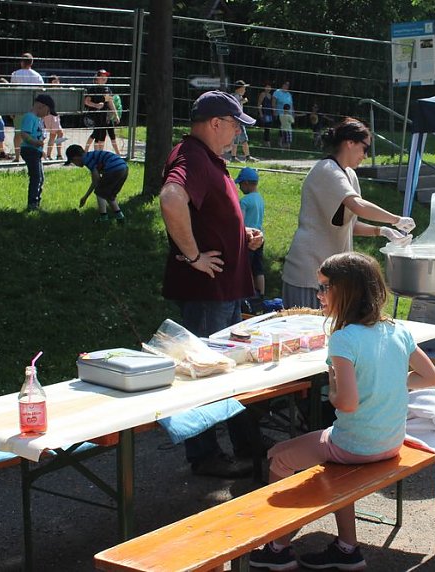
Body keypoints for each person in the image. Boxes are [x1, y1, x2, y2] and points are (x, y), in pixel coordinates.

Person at [249, 252, 435, 571]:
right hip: (390, 443)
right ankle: (347, 547)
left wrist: (334, 388)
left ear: (346, 291)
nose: (319, 295)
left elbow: (346, 403)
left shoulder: (343, 338)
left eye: (324, 287)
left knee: (278, 456)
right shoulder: (397, 330)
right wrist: (391, 384)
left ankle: (277, 546)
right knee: (335, 470)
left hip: (355, 445)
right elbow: (430, 377)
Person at [159, 90, 264, 478]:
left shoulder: (205, 157)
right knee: (203, 373)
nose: (238, 134)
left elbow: (208, 214)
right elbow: (171, 198)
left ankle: (245, 444)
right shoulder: (191, 156)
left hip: (223, 290)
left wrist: (242, 234)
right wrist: (191, 256)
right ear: (216, 123)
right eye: (236, 126)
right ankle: (204, 456)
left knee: (227, 369)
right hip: (207, 293)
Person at [281, 117, 414, 309]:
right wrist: (396, 220)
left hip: (329, 276)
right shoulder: (327, 169)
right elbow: (358, 205)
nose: (366, 155)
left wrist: (382, 231)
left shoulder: (349, 174)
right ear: (350, 143)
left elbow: (349, 225)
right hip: (307, 274)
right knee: (307, 336)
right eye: (365, 148)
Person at [64, 144, 128, 223]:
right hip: (123, 168)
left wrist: (85, 197)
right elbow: (96, 180)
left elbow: (96, 180)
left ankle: (103, 219)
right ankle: (120, 218)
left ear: (75, 158)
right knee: (109, 195)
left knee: (100, 193)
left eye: (73, 162)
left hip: (113, 169)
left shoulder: (86, 159)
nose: (75, 164)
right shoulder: (91, 156)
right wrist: (86, 197)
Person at [19, 94, 56, 211]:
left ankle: (36, 201)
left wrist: (41, 149)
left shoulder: (38, 119)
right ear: (42, 106)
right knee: (36, 177)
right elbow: (24, 134)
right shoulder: (30, 117)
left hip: (35, 151)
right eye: (48, 111)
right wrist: (34, 142)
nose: (48, 114)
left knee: (40, 177)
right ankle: (32, 204)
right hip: (30, 150)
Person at [236, 167, 265, 296]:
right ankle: (261, 295)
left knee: (246, 268)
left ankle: (248, 294)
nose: (240, 187)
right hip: (260, 237)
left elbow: (240, 221)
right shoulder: (259, 198)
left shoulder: (244, 201)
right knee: (258, 268)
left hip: (248, 239)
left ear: (246, 183)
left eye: (241, 184)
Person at [10, 53, 44, 162]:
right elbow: (42, 91)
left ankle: (17, 157)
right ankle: (34, 154)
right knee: (33, 133)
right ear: (31, 63)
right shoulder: (37, 76)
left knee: (18, 133)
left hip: (19, 107)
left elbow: (12, 91)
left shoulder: (15, 74)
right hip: (34, 109)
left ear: (22, 62)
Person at [83, 70, 120, 155]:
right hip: (97, 116)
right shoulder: (93, 89)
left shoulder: (106, 89)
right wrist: (96, 105)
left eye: (106, 76)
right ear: (97, 78)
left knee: (107, 135)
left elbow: (110, 102)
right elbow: (86, 101)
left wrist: (116, 114)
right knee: (97, 135)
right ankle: (94, 153)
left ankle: (111, 154)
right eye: (102, 76)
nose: (104, 78)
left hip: (106, 116)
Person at [230, 80, 255, 162]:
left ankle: (245, 157)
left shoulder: (238, 96)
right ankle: (236, 157)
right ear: (239, 88)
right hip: (237, 121)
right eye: (244, 88)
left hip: (239, 121)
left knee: (242, 140)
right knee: (238, 140)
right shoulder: (235, 97)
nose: (245, 90)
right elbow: (235, 106)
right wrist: (242, 101)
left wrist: (242, 101)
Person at [44, 75, 66, 160]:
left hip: (55, 115)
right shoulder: (49, 92)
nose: (57, 83)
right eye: (55, 81)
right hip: (50, 115)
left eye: (58, 81)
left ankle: (50, 155)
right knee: (59, 133)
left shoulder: (58, 92)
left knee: (54, 135)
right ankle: (58, 154)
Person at [258, 82, 274, 147]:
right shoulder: (263, 94)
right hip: (264, 113)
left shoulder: (270, 95)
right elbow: (259, 104)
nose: (268, 88)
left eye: (269, 87)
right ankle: (267, 142)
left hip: (269, 113)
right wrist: (261, 113)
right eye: (267, 87)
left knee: (268, 128)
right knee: (266, 128)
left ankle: (266, 141)